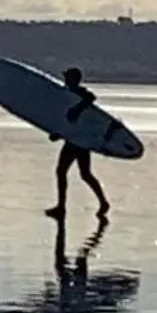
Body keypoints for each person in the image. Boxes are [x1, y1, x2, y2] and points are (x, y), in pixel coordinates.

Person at [47, 68, 110, 221]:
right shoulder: (68, 95)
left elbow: (90, 98)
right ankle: (103, 202)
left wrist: (77, 109)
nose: (65, 80)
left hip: (77, 141)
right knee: (85, 174)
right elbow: (68, 121)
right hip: (78, 139)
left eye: (67, 77)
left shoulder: (79, 93)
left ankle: (61, 207)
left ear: (73, 79)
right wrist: (58, 133)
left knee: (62, 171)